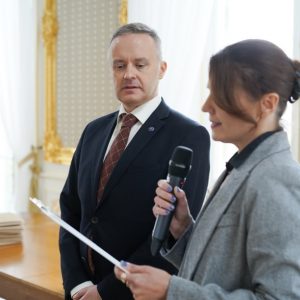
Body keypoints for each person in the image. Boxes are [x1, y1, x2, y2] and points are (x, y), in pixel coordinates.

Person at [114, 39, 300, 300]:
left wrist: (172, 290)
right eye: (210, 92)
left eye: (221, 95)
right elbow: (220, 268)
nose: (206, 106)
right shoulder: (242, 166)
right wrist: (183, 229)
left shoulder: (278, 178)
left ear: (267, 103)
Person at [59, 23, 210, 300]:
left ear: (162, 69)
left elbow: (171, 237)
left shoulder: (189, 136)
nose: (129, 74)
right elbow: (70, 211)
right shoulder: (93, 130)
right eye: (119, 66)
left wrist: (105, 292)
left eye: (140, 65)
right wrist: (77, 284)